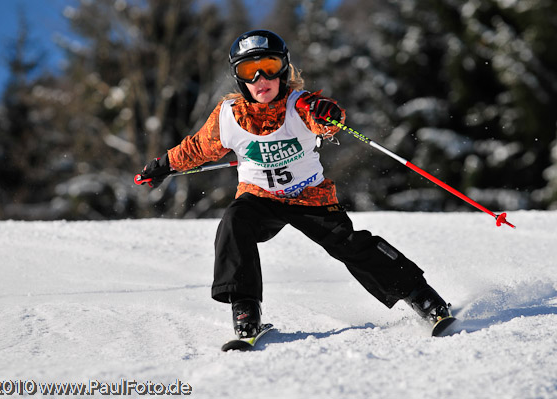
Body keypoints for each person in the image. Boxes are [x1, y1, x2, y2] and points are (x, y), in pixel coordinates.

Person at [138, 30, 451, 338]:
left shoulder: (300, 105)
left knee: (349, 244)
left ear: (283, 69)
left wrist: (328, 115)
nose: (261, 78)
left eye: (269, 67)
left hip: (310, 196)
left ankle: (420, 295)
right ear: (239, 78)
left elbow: (323, 117)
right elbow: (196, 148)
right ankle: (245, 307)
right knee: (234, 223)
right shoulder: (228, 116)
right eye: (249, 70)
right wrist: (163, 166)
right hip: (258, 197)